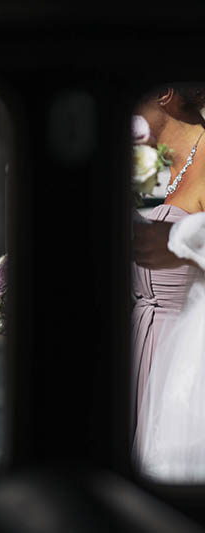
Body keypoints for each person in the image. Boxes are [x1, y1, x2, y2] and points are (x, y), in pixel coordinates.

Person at [131, 85, 205, 480]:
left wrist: (182, 245)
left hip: (187, 360)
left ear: (164, 94)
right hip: (141, 343)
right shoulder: (156, 165)